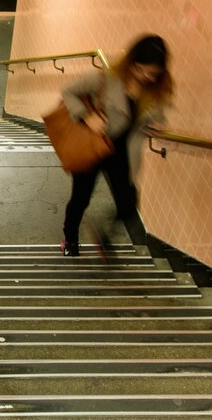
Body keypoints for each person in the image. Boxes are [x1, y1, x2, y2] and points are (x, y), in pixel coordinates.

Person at [58, 34, 173, 256]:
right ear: (132, 63)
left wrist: (157, 125)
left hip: (122, 153)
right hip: (91, 146)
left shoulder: (155, 90)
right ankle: (70, 238)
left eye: (154, 74)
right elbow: (68, 92)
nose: (148, 77)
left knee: (128, 204)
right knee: (80, 199)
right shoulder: (104, 79)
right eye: (143, 70)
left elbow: (158, 115)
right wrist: (85, 115)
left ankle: (104, 236)